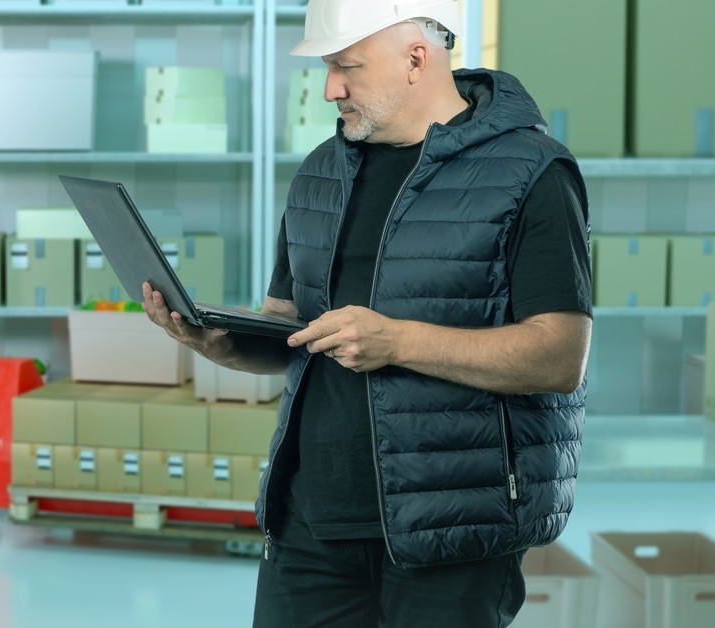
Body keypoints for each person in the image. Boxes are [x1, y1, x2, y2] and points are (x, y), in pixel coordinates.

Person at [140, 0, 593, 625]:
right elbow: (289, 328)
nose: (330, 89)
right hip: (311, 521)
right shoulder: (321, 172)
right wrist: (216, 342)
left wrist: (397, 341)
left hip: (451, 530)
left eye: (345, 67)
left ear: (416, 59)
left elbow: (559, 355)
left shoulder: (532, 173)